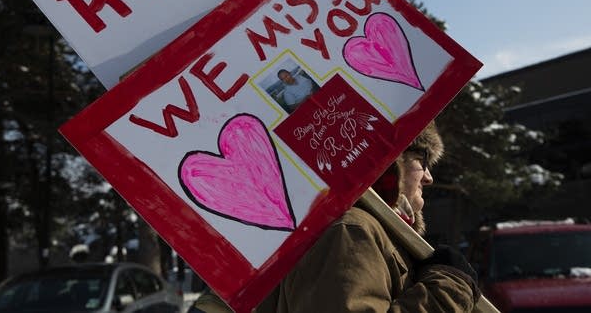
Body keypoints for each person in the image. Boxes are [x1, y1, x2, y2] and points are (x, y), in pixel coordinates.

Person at [190, 123, 480, 313]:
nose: (429, 177)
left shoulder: (370, 229)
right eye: (423, 161)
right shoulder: (351, 229)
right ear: (394, 158)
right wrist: (448, 289)